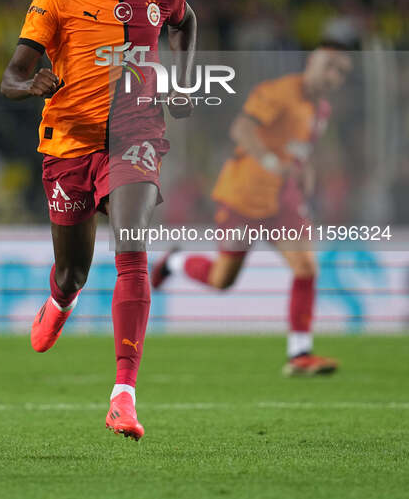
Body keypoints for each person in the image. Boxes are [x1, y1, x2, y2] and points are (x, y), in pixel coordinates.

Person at [1, 0, 196, 439]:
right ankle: (62, 299)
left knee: (131, 251)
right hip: (69, 143)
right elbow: (11, 76)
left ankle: (123, 396)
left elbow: (185, 20)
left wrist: (180, 77)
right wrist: (29, 85)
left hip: (135, 135)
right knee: (74, 272)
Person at [151, 42, 354, 376]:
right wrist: (271, 161)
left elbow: (300, 149)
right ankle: (174, 261)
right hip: (243, 195)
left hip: (282, 201)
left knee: (306, 266)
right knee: (222, 280)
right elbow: (241, 129)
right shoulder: (277, 92)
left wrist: (305, 170)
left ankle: (299, 354)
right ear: (312, 63)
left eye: (341, 71)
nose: (333, 75)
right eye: (329, 65)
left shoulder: (321, 111)